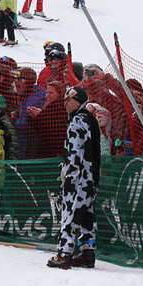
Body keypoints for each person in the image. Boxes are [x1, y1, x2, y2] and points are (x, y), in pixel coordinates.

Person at [47, 86, 101, 269]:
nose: (65, 104)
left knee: (69, 213)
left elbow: (75, 150)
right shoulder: (91, 120)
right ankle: (87, 253)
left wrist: (69, 173)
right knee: (87, 215)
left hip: (79, 177)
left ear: (79, 101)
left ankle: (64, 254)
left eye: (68, 100)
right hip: (91, 177)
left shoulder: (78, 120)